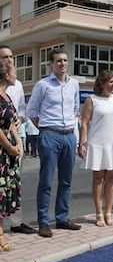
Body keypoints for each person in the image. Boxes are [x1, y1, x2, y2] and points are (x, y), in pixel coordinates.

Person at [27, 48, 81, 238]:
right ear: (51, 64)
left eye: (65, 60)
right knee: (47, 181)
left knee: (66, 181)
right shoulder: (42, 85)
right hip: (50, 135)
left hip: (69, 135)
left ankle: (62, 218)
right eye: (59, 61)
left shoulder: (73, 84)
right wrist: (45, 129)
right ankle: (43, 222)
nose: (63, 64)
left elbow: (75, 108)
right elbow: (32, 112)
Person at [78, 70, 113, 227]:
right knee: (98, 178)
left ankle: (108, 212)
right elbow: (84, 122)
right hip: (97, 143)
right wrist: (82, 143)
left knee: (111, 178)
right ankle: (99, 213)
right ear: (101, 83)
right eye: (110, 82)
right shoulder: (91, 100)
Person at [0, 45, 37, 235]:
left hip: (17, 139)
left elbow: (21, 110)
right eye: (5, 57)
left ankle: (16, 222)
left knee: (13, 183)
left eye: (11, 56)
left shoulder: (18, 85)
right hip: (4, 144)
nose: (9, 60)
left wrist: (18, 125)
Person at [0, 60, 23, 251]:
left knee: (5, 191)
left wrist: (19, 143)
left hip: (10, 154)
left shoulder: (7, 97)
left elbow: (12, 124)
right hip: (2, 151)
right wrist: (9, 147)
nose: (16, 75)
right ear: (6, 75)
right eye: (14, 72)